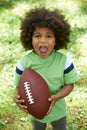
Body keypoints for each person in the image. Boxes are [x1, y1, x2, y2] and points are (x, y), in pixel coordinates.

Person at [14, 7, 79, 130]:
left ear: (57, 39)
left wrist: (57, 96)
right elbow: (18, 86)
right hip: (35, 110)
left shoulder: (63, 61)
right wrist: (16, 97)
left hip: (58, 110)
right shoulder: (24, 63)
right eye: (37, 36)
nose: (43, 41)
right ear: (29, 38)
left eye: (49, 36)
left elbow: (70, 84)